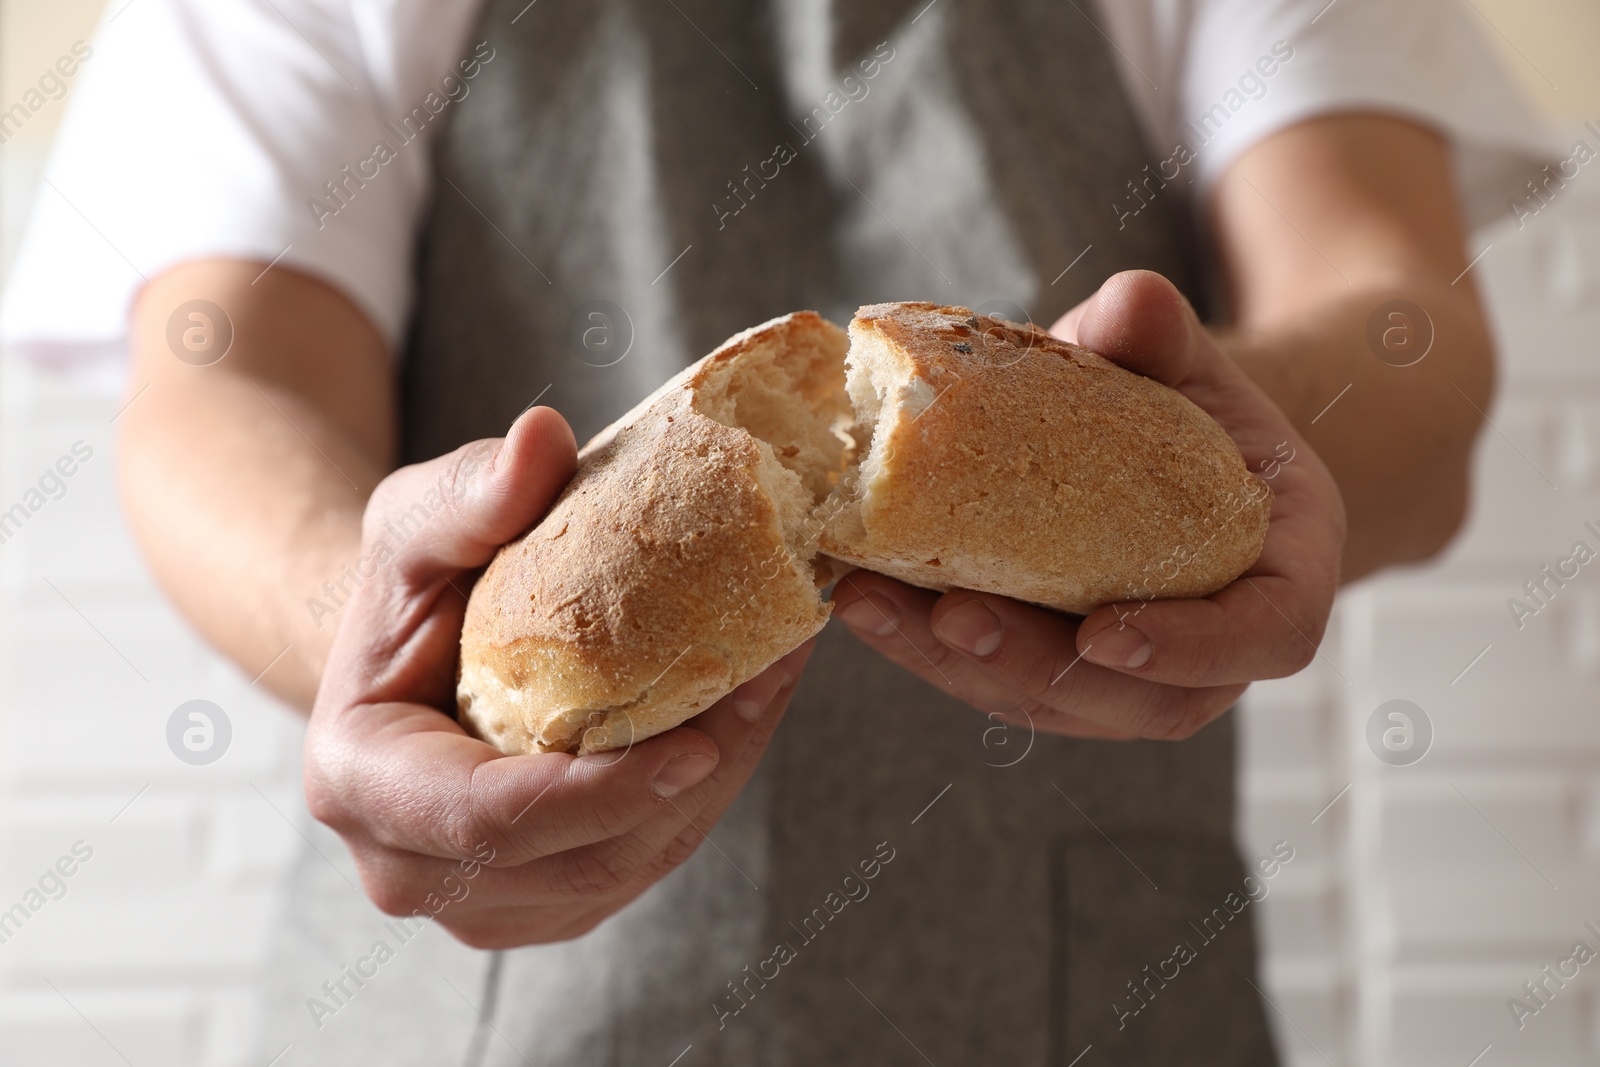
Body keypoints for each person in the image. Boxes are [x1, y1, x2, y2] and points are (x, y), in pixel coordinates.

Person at [0, 0, 1550, 1062]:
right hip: (477, 1007)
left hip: (1098, 1004)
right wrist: (375, 636)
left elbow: (1401, 322)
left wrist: (1236, 428)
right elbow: (223, 384)